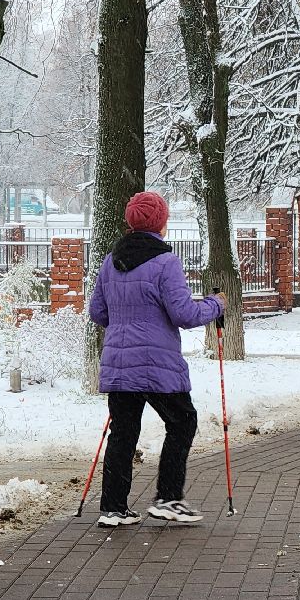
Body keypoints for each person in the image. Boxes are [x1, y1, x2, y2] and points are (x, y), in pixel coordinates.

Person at [87, 191, 225, 527]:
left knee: (123, 432)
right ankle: (167, 498)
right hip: (156, 363)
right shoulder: (166, 262)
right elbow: (185, 314)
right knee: (182, 422)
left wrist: (125, 323)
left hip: (119, 363)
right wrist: (216, 304)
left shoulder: (110, 261)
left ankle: (114, 508)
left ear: (129, 221)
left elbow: (97, 312)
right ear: (161, 222)